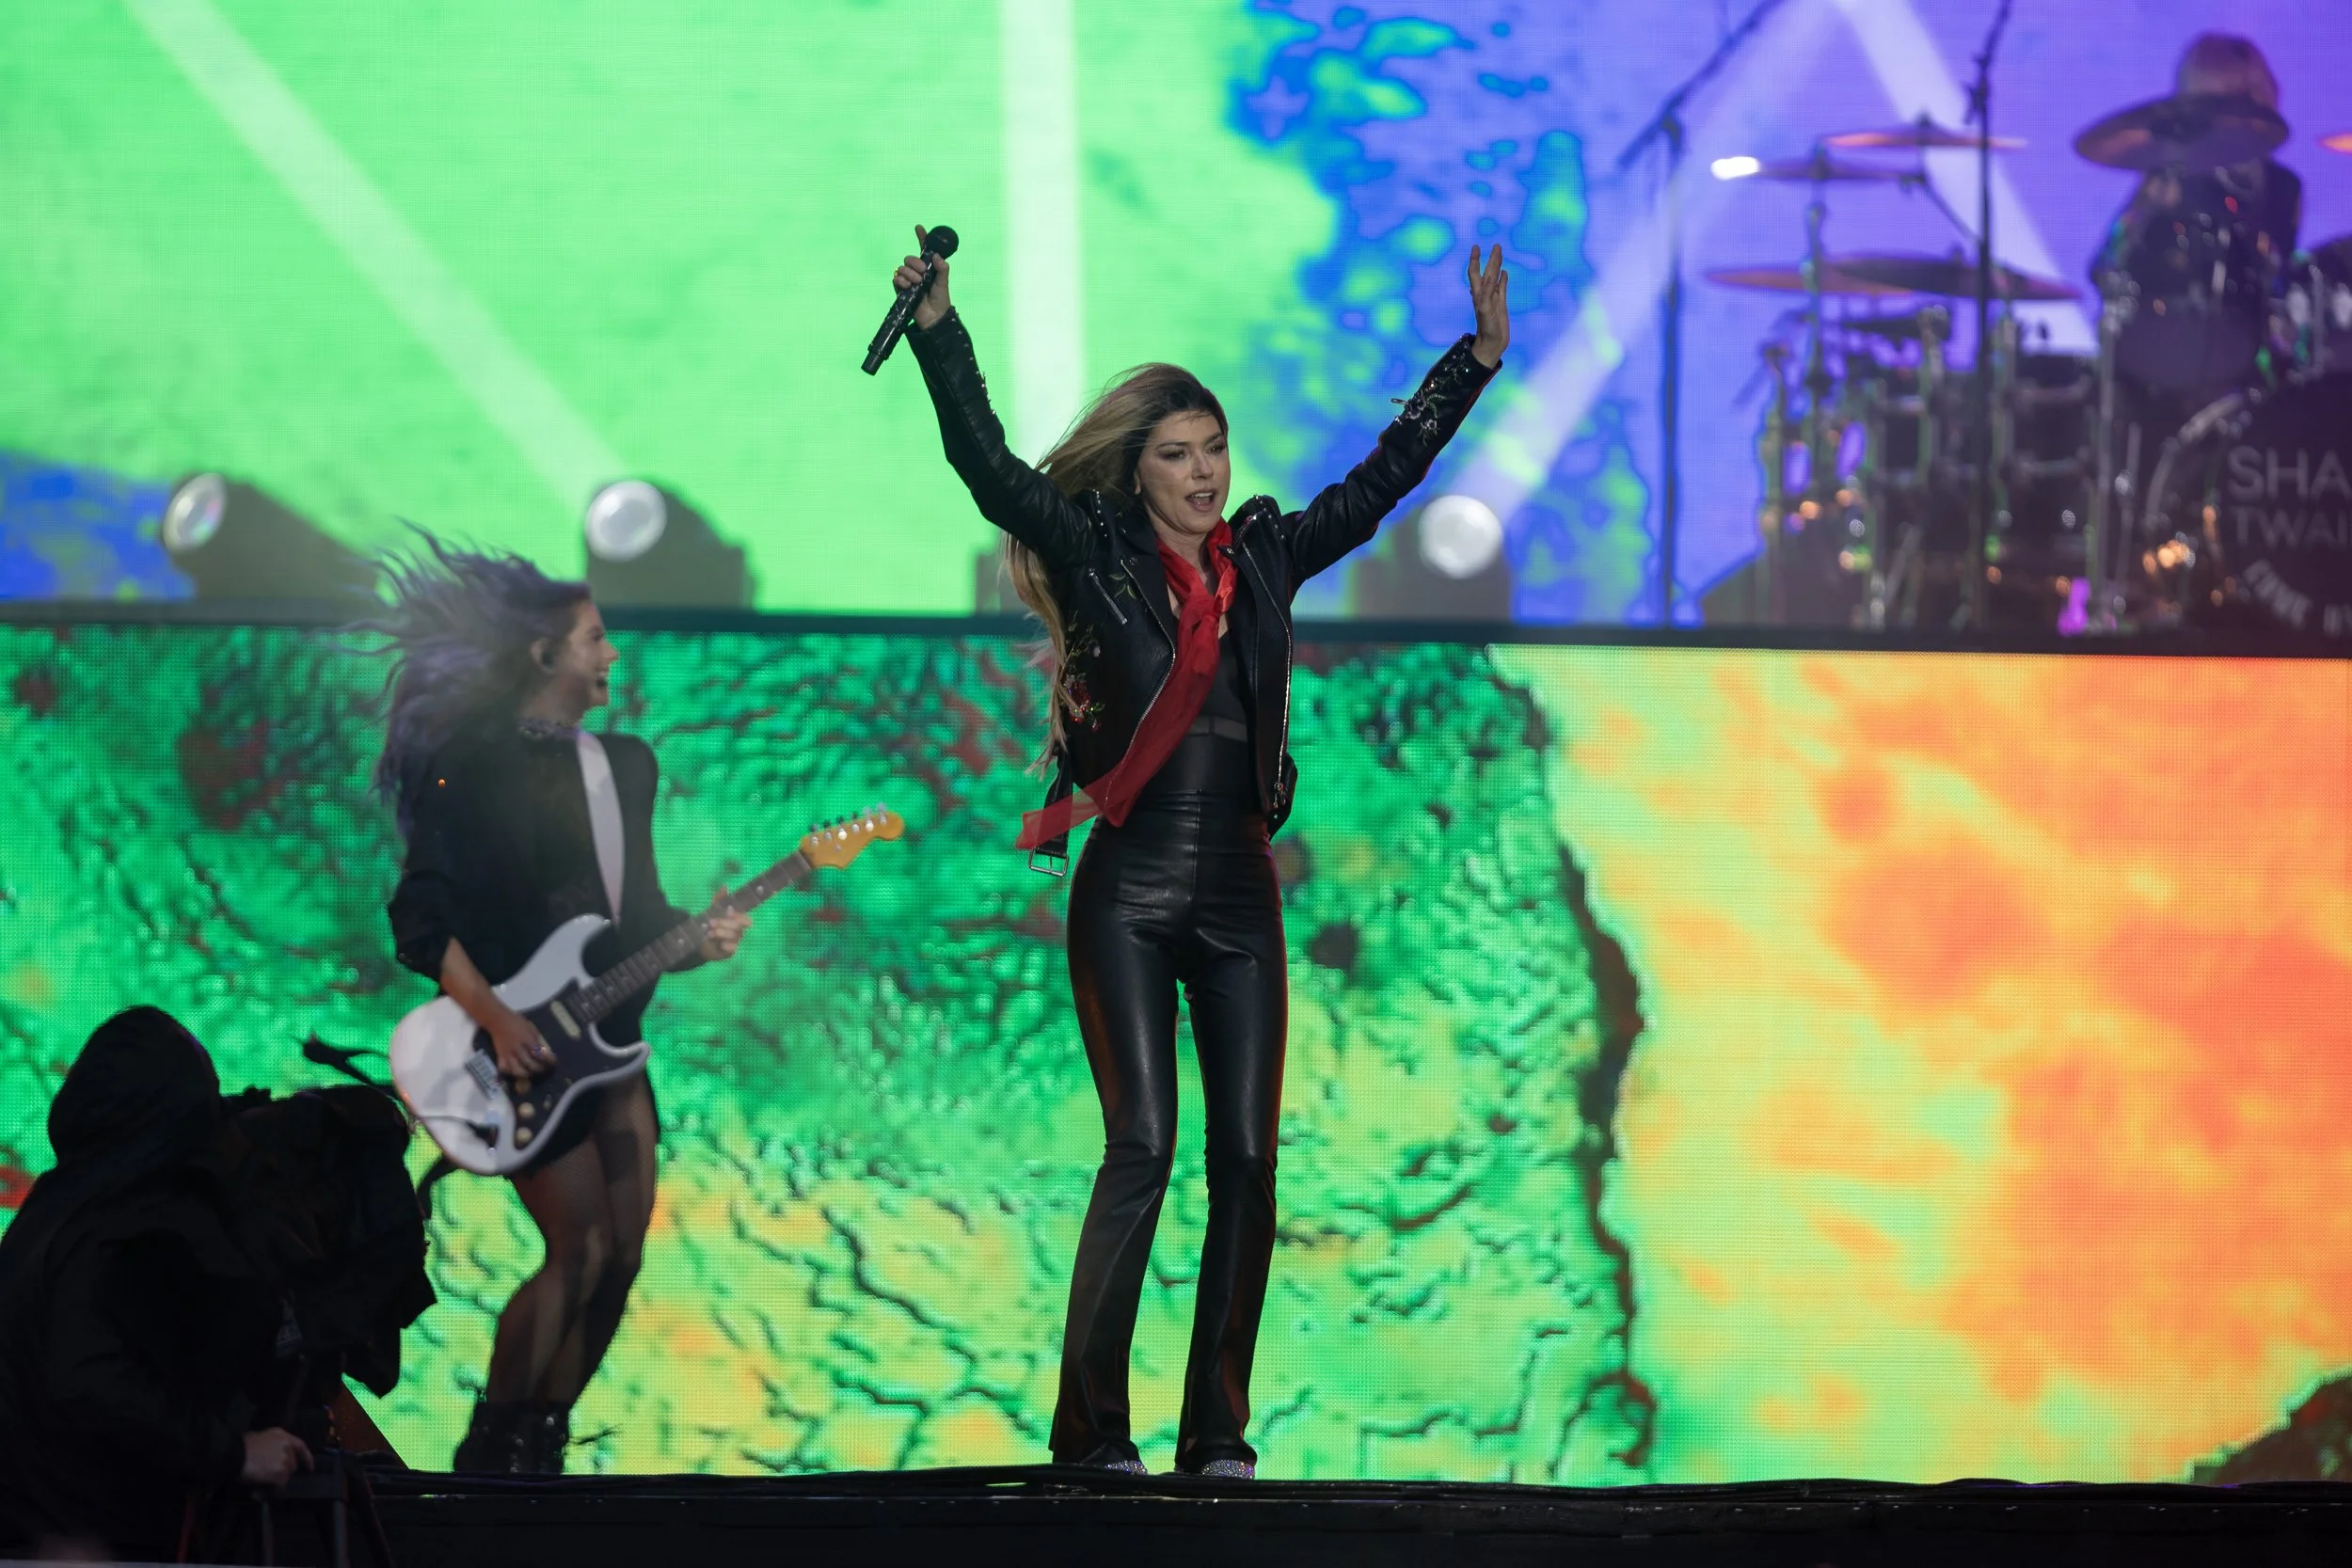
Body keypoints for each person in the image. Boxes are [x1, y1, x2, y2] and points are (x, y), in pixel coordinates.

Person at [894, 227, 1508, 1475]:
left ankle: (1215, 1430)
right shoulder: (1095, 550)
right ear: (1136, 473)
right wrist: (941, 331)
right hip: (1125, 885)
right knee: (1144, 1147)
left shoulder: (1269, 556)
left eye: (1214, 448)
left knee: (1246, 1156)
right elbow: (985, 463)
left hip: (1237, 887)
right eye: (1176, 454)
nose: (1203, 472)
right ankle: (1091, 1433)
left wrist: (1474, 361)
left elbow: (1384, 477)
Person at [374, 540, 751, 1473]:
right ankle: (488, 1445)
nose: (611, 653)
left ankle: (542, 1437)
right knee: (577, 1247)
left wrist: (696, 940)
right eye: (594, 636)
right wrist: (498, 1020)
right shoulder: (469, 763)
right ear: (544, 655)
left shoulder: (624, 763)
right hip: (513, 1047)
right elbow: (421, 916)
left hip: (611, 1047)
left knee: (620, 1255)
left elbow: (637, 917)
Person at [0, 1008, 315, 1560]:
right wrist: (232, 1454)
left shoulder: (49, 1211)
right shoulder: (136, 1224)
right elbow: (91, 1380)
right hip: (86, 1542)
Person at [2092, 33, 2302, 436]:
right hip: (2160, 348)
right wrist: (2151, 204)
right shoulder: (2170, 175)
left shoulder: (2284, 188)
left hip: (2246, 356)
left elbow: (2279, 281)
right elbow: (2106, 264)